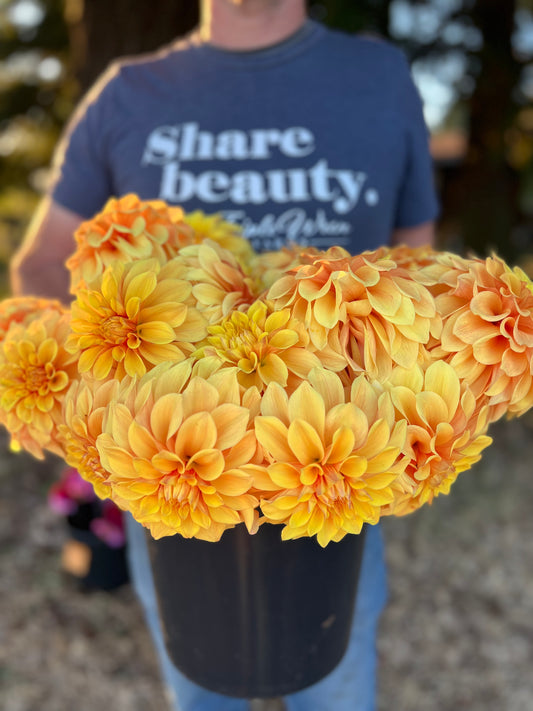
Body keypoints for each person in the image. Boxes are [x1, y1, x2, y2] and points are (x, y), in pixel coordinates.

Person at [11, 1, 439, 709]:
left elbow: (417, 259)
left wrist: (410, 407)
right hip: (173, 488)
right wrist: (80, 409)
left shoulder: (379, 75)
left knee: (334, 683)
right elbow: (42, 266)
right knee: (199, 687)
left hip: (337, 479)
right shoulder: (127, 91)